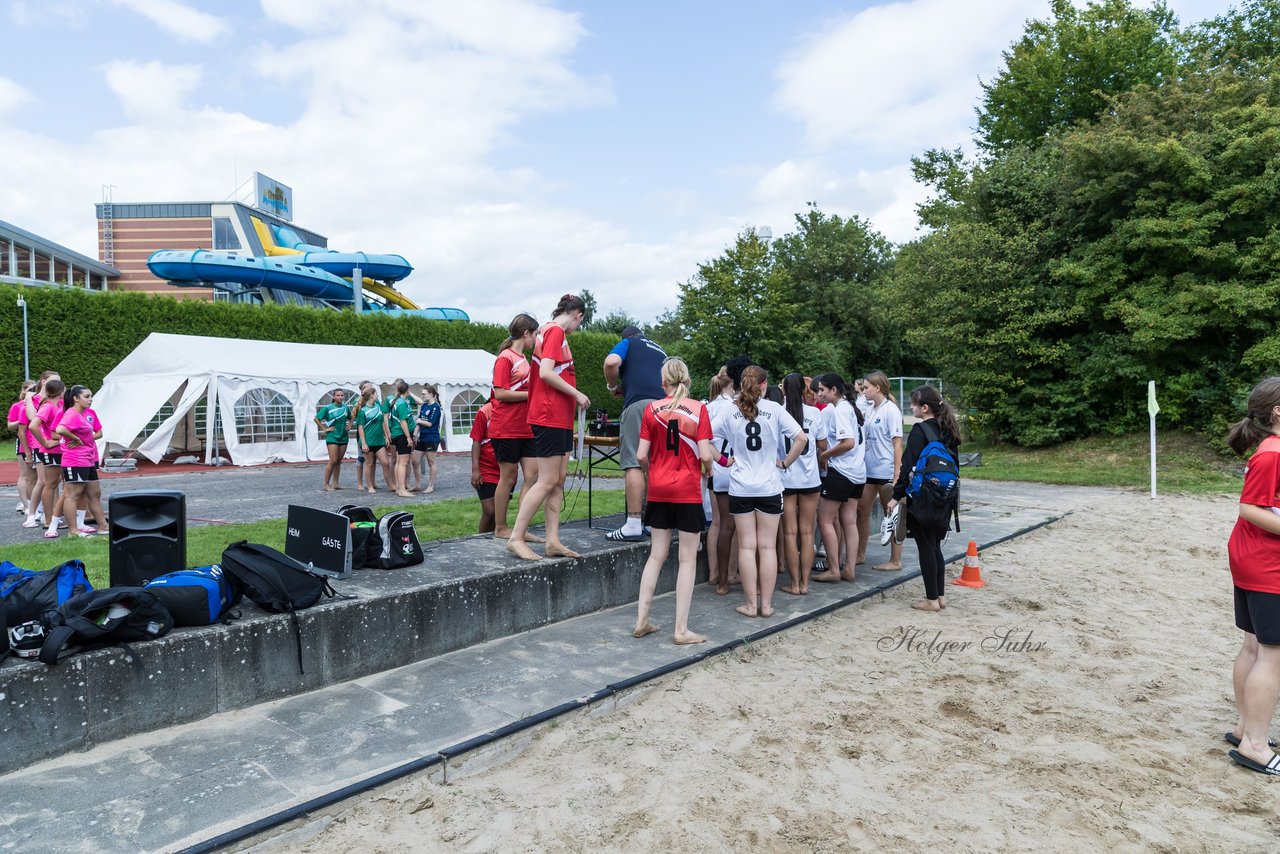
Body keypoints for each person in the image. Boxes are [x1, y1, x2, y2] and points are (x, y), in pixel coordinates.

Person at [712, 365, 806, 618]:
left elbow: (705, 438)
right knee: (766, 548)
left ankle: (751, 605)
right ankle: (766, 606)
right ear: (764, 385)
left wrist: (722, 460)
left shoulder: (729, 410)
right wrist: (785, 463)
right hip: (769, 485)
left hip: (741, 486)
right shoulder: (775, 409)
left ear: (742, 384)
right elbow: (802, 439)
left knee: (746, 547)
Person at [633, 357, 714, 644]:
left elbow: (641, 455)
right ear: (688, 381)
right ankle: (680, 630)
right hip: (687, 490)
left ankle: (642, 619)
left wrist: (653, 470)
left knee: (656, 555)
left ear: (663, 382)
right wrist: (708, 470)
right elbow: (705, 454)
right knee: (687, 558)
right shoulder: (698, 409)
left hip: (659, 489)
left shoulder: (651, 409)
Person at [1223, 377, 1280, 776]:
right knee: (1272, 656)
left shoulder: (1271, 450)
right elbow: (1250, 508)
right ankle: (1256, 746)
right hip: (1266, 563)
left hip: (1252, 558)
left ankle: (1245, 728)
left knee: (1252, 646)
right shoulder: (1273, 453)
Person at [507, 294, 590, 561]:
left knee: (558, 480)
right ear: (578, 315)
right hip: (549, 415)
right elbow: (545, 372)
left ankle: (552, 540)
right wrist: (577, 394)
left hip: (559, 417)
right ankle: (516, 538)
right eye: (580, 322)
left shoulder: (549, 332)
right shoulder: (554, 331)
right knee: (546, 480)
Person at [887, 385, 961, 612]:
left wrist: (896, 496)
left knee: (925, 547)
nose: (911, 407)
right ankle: (940, 596)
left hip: (924, 497)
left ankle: (931, 600)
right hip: (946, 496)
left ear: (924, 407)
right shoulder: (948, 429)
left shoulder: (920, 431)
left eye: (914, 404)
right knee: (935, 546)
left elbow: (906, 466)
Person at [602, 324, 667, 541]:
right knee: (655, 462)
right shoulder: (660, 349)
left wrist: (612, 386)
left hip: (639, 404)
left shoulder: (628, 342)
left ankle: (633, 523)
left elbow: (611, 362)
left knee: (634, 461)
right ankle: (651, 521)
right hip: (666, 408)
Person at [490, 314, 542, 541]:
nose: (536, 339)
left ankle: (521, 528)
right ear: (526, 333)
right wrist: (531, 395)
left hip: (525, 427)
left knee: (533, 475)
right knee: (508, 478)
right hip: (506, 427)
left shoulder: (523, 358)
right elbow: (500, 393)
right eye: (536, 334)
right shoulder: (505, 358)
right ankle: (500, 528)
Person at [812, 373, 865, 583]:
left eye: (822, 390)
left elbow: (848, 442)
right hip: (858, 472)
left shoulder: (840, 409)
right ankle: (849, 568)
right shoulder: (851, 408)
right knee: (849, 522)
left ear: (834, 390)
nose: (820, 394)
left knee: (824, 520)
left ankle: (834, 568)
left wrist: (825, 455)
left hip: (842, 471)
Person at [858, 371, 906, 571]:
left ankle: (895, 560)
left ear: (877, 388)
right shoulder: (869, 409)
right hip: (869, 469)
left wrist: (897, 473)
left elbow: (897, 444)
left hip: (886, 470)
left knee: (892, 514)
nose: (863, 391)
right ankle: (860, 553)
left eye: (866, 388)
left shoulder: (891, 410)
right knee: (862, 511)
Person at [779, 373, 822, 595]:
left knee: (789, 532)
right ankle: (805, 583)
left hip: (786, 477)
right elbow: (822, 443)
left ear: (784, 390)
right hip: (810, 479)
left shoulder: (778, 412)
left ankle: (794, 583)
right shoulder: (814, 413)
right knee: (807, 532)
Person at [55, 385, 105, 538]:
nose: (90, 400)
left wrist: (81, 439)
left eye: (90, 396)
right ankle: (73, 531)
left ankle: (103, 526)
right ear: (76, 398)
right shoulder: (72, 414)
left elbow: (96, 433)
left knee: (94, 493)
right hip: (75, 460)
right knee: (73, 495)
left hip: (87, 459)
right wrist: (76, 439)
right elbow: (60, 429)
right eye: (86, 397)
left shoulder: (82, 414)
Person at [29, 378, 67, 538]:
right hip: (51, 450)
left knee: (56, 483)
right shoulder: (48, 407)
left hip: (59, 449)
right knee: (50, 484)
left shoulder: (57, 405)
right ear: (60, 392)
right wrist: (45, 441)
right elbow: (32, 425)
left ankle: (53, 517)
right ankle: (47, 519)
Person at [21, 371, 58, 529]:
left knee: (53, 482)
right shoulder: (34, 399)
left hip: (55, 444)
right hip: (41, 444)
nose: (59, 384)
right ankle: (32, 514)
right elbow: (32, 419)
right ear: (43, 381)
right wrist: (28, 399)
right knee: (42, 481)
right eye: (55, 381)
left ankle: (51, 515)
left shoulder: (57, 400)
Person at [470, 399, 501, 533]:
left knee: (498, 513)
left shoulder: (513, 410)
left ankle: (493, 539)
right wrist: (476, 469)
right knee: (490, 512)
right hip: (486, 469)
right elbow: (476, 441)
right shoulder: (485, 411)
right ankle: (481, 541)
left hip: (505, 469)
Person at [355, 385, 393, 493]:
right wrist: (363, 443)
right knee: (369, 463)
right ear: (372, 395)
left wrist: (386, 435)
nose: (377, 396)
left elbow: (382, 422)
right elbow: (360, 427)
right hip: (368, 441)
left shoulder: (378, 406)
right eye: (376, 394)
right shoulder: (363, 411)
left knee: (385, 463)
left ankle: (390, 485)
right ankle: (370, 486)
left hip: (379, 441)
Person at [315, 388, 353, 492]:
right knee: (333, 460)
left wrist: (349, 425)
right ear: (334, 396)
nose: (340, 397)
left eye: (342, 395)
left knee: (339, 461)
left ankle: (335, 483)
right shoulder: (328, 408)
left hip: (343, 436)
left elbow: (351, 417)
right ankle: (326, 484)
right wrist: (324, 429)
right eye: (338, 395)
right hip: (332, 436)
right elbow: (316, 418)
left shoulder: (345, 408)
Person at [8, 380, 35, 514]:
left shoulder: (39, 404)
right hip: (23, 441)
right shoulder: (18, 406)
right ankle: (25, 504)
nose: (32, 393)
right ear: (24, 390)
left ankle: (34, 503)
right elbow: (10, 425)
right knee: (25, 474)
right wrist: (22, 419)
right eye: (29, 390)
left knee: (35, 477)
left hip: (36, 442)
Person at [387, 380, 417, 498]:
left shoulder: (396, 401)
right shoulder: (402, 403)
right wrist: (408, 437)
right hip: (402, 434)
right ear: (407, 390)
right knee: (403, 463)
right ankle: (402, 489)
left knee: (400, 462)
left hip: (397, 434)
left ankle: (400, 489)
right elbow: (403, 421)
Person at [415, 383, 443, 494]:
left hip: (432, 437)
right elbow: (420, 421)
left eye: (424, 394)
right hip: (422, 437)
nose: (422, 396)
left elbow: (429, 423)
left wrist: (419, 421)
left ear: (431, 394)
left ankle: (431, 486)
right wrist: (415, 434)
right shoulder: (424, 405)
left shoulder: (436, 407)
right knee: (414, 461)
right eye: (421, 394)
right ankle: (417, 485)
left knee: (431, 462)